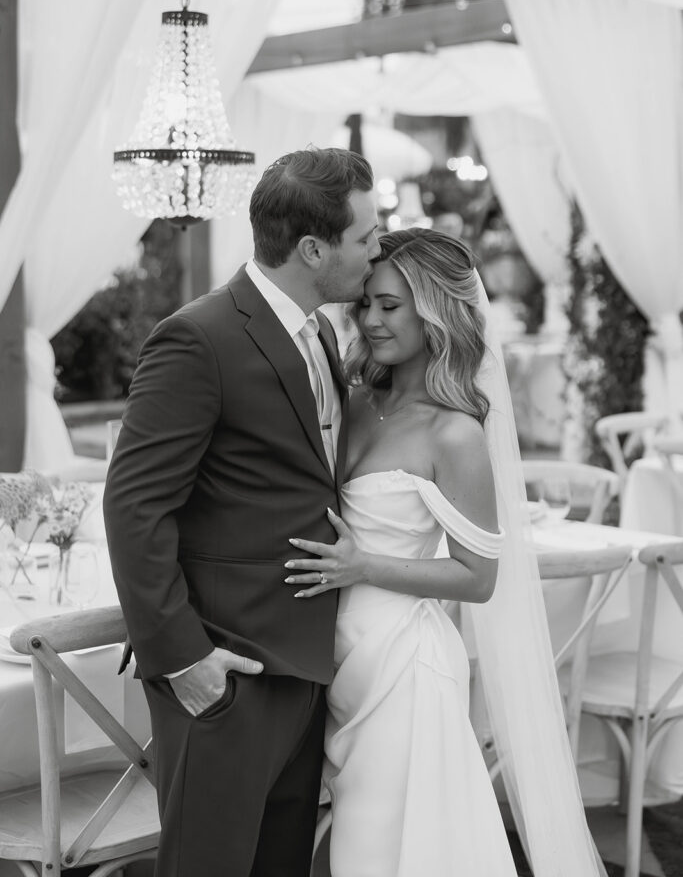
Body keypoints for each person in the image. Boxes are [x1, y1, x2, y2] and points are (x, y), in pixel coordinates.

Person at [285, 228, 606, 877]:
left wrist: (362, 566)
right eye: (365, 304)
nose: (371, 320)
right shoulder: (353, 398)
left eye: (391, 306)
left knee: (386, 853)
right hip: (338, 659)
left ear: (435, 312)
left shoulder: (453, 430)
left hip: (404, 669)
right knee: (359, 845)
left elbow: (478, 576)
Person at [103, 146, 380, 877]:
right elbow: (134, 508)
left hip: (307, 663)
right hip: (225, 670)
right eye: (367, 237)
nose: (378, 251)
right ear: (314, 248)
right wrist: (187, 661)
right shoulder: (198, 337)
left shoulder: (322, 331)